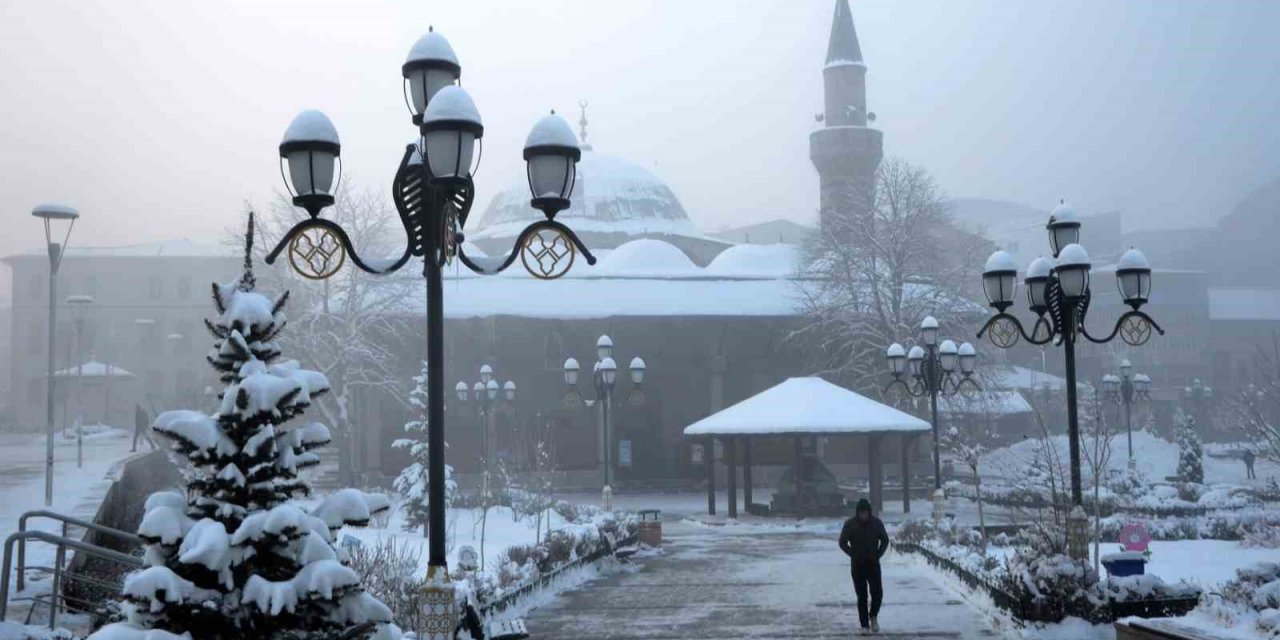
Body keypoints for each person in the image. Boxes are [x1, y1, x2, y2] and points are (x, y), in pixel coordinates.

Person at [839, 498, 890, 634]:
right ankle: (864, 625)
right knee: (862, 596)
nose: (864, 516)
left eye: (866, 513)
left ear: (869, 512)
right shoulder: (850, 524)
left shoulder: (876, 523)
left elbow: (885, 539)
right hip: (858, 565)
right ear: (858, 513)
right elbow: (842, 542)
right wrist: (853, 554)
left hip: (873, 564)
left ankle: (873, 616)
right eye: (861, 513)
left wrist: (878, 554)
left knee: (877, 593)